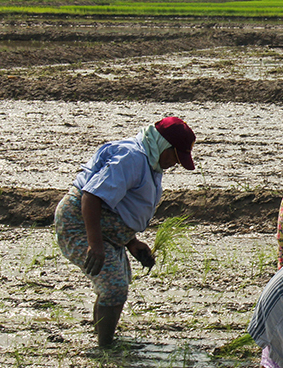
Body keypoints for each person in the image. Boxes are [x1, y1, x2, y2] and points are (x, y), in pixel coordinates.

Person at [54, 116, 196, 347]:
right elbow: (91, 196)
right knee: (114, 285)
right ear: (163, 145)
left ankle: (104, 338)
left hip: (103, 227)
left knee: (115, 282)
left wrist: (131, 242)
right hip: (79, 222)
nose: (175, 164)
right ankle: (106, 347)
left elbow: (118, 204)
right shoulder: (132, 158)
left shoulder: (150, 161)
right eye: (175, 157)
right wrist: (95, 244)